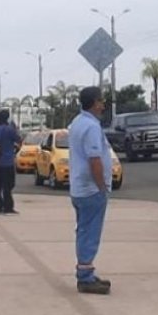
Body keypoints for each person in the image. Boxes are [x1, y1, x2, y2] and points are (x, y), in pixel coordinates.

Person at [67, 87, 112, 295]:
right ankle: (85, 277)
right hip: (91, 189)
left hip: (78, 187)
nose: (103, 105)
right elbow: (94, 160)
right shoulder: (91, 127)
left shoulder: (77, 123)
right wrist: (102, 186)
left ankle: (86, 271)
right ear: (95, 103)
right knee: (90, 232)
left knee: (84, 230)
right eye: (101, 101)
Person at [0, 110, 23, 215]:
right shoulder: (9, 130)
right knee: (8, 185)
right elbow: (19, 140)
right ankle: (8, 207)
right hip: (7, 161)